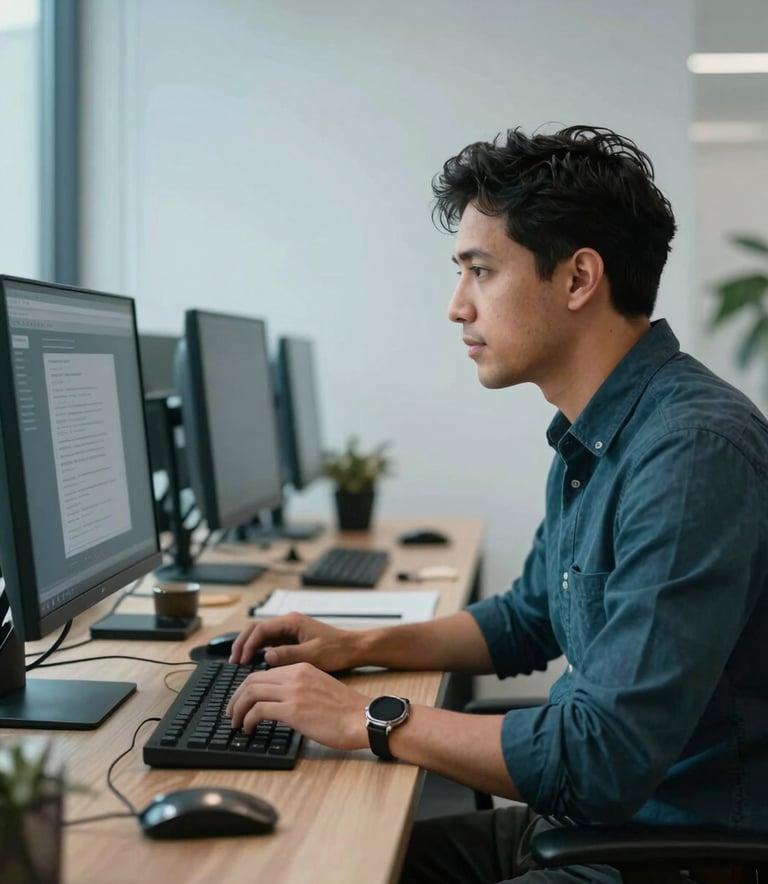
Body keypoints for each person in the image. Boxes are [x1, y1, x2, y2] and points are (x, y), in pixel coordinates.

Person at [227, 125, 768, 882]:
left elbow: (601, 758)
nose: (457, 307)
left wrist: (370, 718)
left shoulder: (691, 454)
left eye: (480, 271)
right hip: (596, 828)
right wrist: (354, 646)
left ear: (579, 279)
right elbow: (529, 618)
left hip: (662, 855)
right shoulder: (600, 434)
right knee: (319, 857)